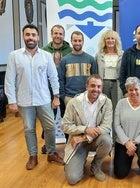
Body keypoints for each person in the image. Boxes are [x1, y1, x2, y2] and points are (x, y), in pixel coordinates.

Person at [4, 24, 64, 170]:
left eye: (33, 35)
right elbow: (9, 79)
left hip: (44, 99)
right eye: (27, 34)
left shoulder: (46, 56)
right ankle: (33, 156)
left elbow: (53, 77)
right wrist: (11, 101)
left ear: (38, 37)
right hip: (24, 101)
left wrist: (56, 96)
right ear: (24, 36)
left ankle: (51, 152)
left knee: (50, 127)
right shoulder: (14, 56)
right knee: (29, 129)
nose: (30, 37)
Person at [61, 74, 113, 185]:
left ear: (102, 88)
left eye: (99, 87)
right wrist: (85, 129)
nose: (96, 89)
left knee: (107, 140)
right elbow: (65, 126)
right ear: (86, 87)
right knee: (72, 178)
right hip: (77, 143)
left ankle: (95, 165)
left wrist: (84, 137)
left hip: (95, 139)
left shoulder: (107, 102)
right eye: (92, 86)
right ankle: (78, 161)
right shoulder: (73, 102)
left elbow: (106, 126)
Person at [113, 77, 140, 179]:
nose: (134, 92)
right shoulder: (121, 103)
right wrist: (127, 142)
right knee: (120, 174)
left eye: (136, 89)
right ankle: (129, 157)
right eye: (130, 90)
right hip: (123, 141)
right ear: (127, 90)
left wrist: (134, 143)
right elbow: (117, 125)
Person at [41, 24, 72, 154]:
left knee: (67, 118)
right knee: (49, 118)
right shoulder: (44, 51)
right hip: (47, 91)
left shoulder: (70, 51)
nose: (58, 36)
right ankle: (48, 144)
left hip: (65, 90)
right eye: (55, 33)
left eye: (60, 34)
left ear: (63, 36)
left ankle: (69, 143)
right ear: (51, 34)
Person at [58, 30, 98, 106]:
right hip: (69, 98)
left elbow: (95, 80)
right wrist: (63, 97)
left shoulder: (90, 59)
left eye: (80, 40)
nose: (77, 43)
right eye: (75, 40)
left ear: (83, 42)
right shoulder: (64, 60)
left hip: (86, 97)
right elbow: (60, 80)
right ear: (71, 41)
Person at [95, 29, 123, 110]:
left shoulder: (122, 54)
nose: (110, 40)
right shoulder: (98, 55)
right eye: (108, 38)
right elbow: (95, 71)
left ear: (116, 40)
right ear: (104, 41)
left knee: (116, 107)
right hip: (103, 84)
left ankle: (115, 123)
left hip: (117, 85)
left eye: (112, 38)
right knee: (103, 107)